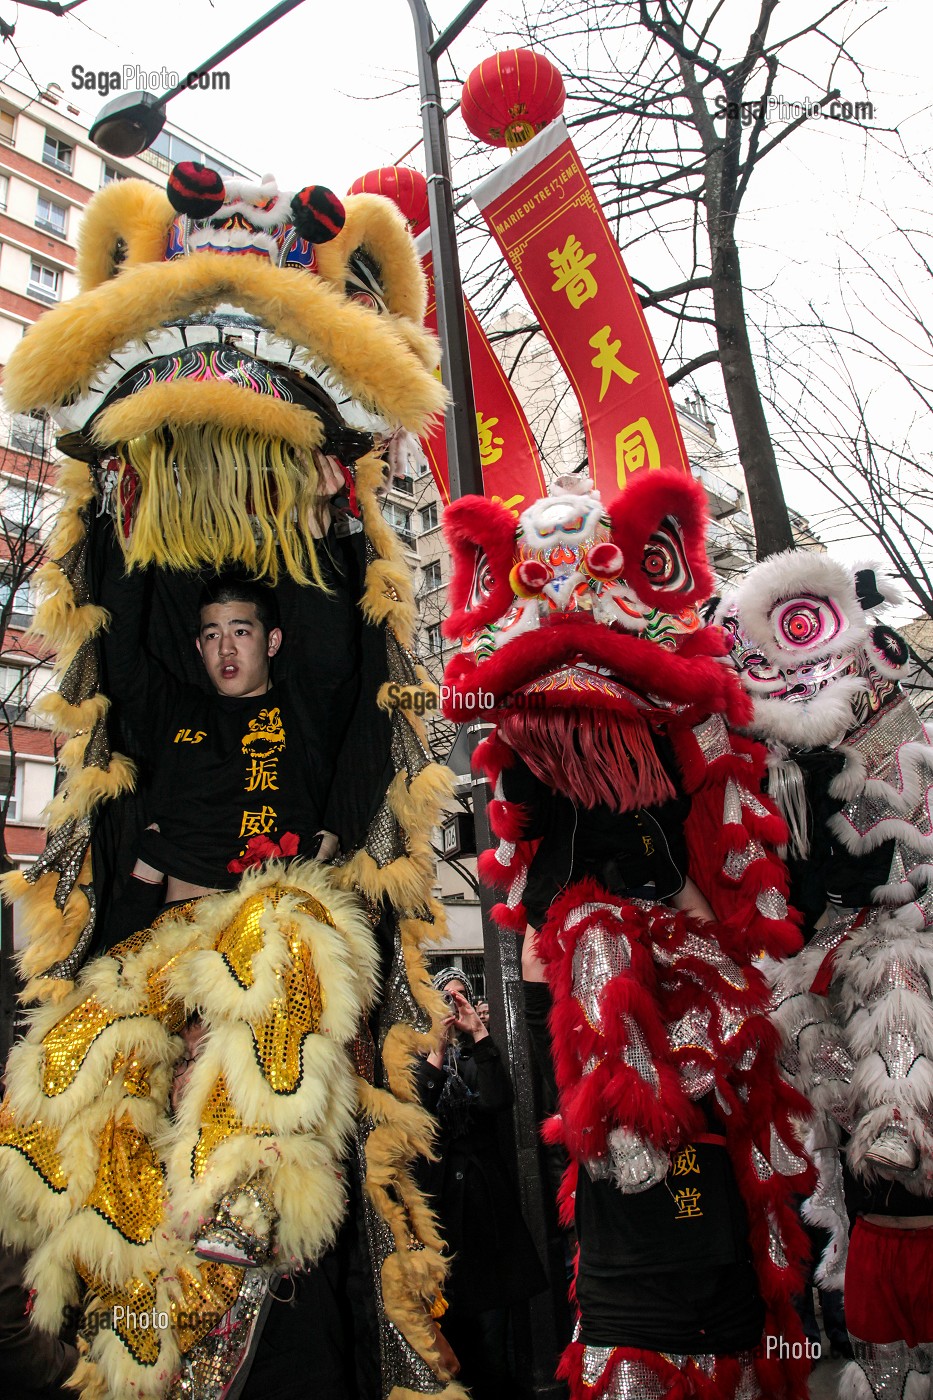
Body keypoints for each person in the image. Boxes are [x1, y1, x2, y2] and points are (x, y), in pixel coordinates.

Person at [415, 967, 547, 1400]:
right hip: (441, 1222)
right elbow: (417, 1115)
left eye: (460, 997)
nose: (454, 1007)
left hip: (486, 1220)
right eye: (445, 999)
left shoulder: (479, 1056)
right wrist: (436, 1046)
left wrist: (478, 1035)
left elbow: (498, 1100)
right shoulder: (419, 1061)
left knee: (493, 1347)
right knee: (449, 1344)